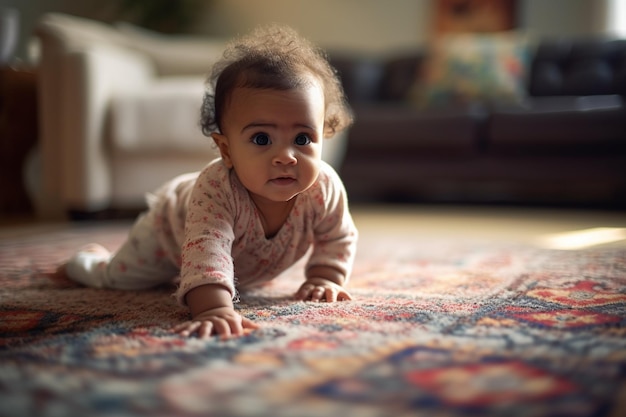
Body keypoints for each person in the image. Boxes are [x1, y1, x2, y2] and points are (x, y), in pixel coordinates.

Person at [59, 24, 358, 339]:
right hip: (168, 232)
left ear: (323, 135)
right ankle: (87, 261)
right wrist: (214, 308)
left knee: (238, 277)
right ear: (226, 150)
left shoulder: (324, 187)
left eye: (302, 138)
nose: (286, 156)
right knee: (119, 278)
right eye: (261, 138)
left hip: (244, 263)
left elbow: (337, 237)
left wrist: (326, 277)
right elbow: (208, 249)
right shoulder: (217, 190)